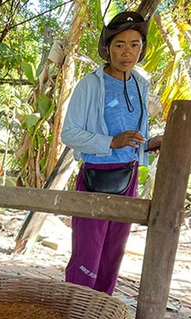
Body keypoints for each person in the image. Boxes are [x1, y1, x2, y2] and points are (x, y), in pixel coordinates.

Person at [61, 11, 162, 295]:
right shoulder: (91, 85)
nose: (127, 52)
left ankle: (101, 310)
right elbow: (69, 133)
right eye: (119, 44)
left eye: (134, 44)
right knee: (87, 257)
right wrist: (111, 143)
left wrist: (152, 142)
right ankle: (76, 309)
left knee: (112, 256)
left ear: (142, 48)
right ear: (107, 47)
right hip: (96, 177)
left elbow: (132, 139)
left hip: (128, 178)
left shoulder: (141, 85)